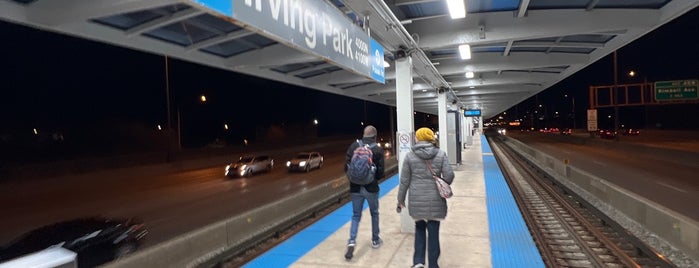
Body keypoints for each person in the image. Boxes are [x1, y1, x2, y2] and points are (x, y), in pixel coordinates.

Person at [397, 127, 454, 268]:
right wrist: (441, 183)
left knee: (420, 229)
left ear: (418, 138)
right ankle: (433, 264)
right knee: (433, 232)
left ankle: (418, 262)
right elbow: (449, 175)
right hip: (435, 200)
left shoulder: (410, 156)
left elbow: (404, 180)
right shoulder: (440, 154)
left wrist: (400, 200)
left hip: (417, 200)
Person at [344, 125, 385, 261]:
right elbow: (381, 172)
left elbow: (346, 167)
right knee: (374, 213)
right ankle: (375, 240)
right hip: (371, 188)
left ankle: (351, 241)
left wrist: (355, 179)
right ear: (375, 136)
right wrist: (372, 178)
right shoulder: (377, 150)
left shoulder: (353, 146)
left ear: (363, 134)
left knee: (356, 215)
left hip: (355, 188)